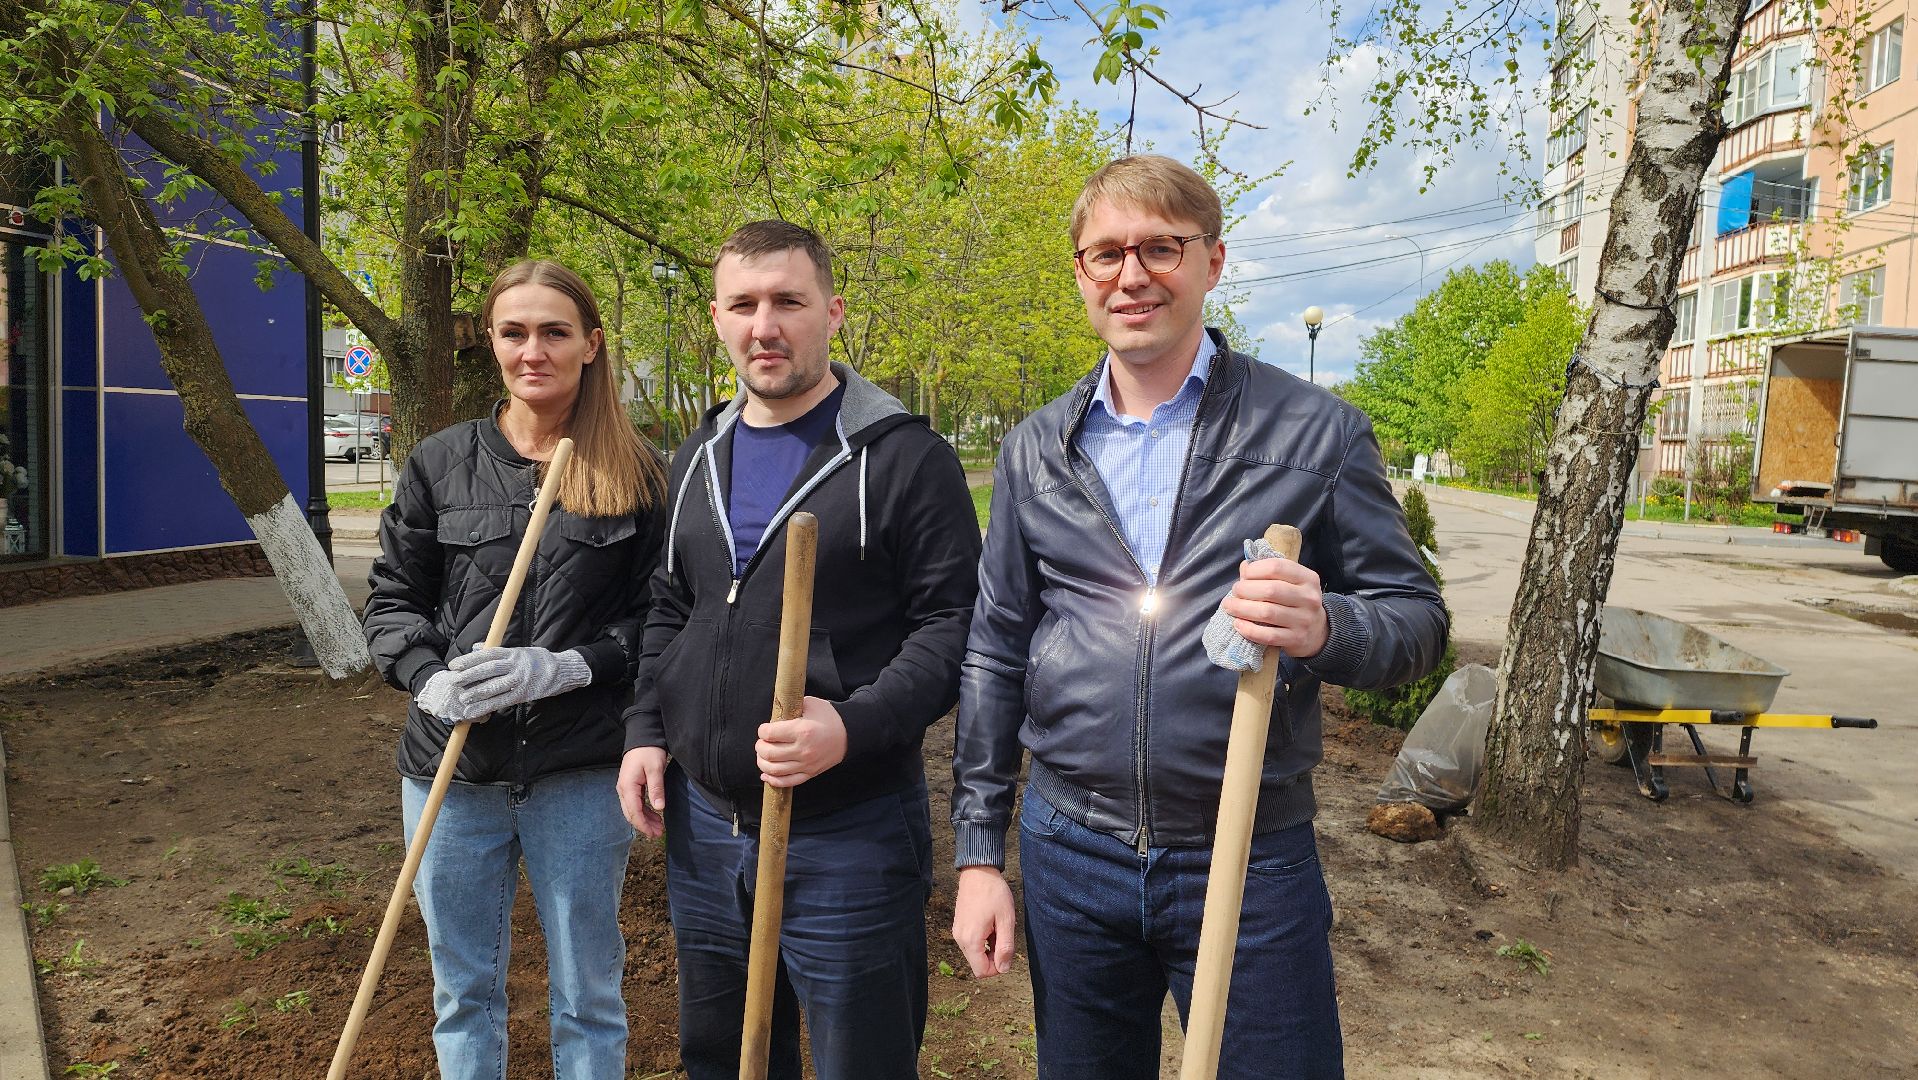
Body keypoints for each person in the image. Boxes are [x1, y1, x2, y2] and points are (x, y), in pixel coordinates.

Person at [949, 155, 1449, 1079]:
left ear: (1213, 262)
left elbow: (1419, 624)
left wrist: (1328, 625)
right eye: (1107, 254)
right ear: (1081, 275)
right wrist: (981, 850)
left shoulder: (1315, 432)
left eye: (1161, 248)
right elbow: (995, 648)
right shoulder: (1034, 450)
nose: (1133, 275)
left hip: (1250, 860)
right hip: (1069, 854)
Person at [616, 220, 980, 1080]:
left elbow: (952, 626)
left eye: (788, 301)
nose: (764, 326)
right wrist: (643, 730)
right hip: (705, 830)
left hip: (848, 834)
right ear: (716, 318)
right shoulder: (699, 452)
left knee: (863, 1060)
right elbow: (673, 604)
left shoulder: (906, 461)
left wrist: (851, 726)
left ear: (833, 312)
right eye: (743, 304)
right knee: (725, 1056)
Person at [363, 259, 668, 1079]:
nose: (533, 350)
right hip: (451, 777)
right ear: (492, 344)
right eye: (514, 332)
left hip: (579, 774)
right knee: (463, 992)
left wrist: (569, 666)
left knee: (588, 995)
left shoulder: (640, 473)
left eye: (555, 332)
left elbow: (663, 622)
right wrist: (427, 676)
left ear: (592, 345)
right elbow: (391, 602)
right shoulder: (438, 463)